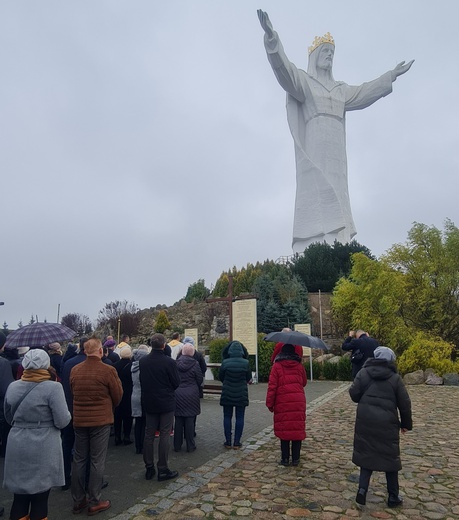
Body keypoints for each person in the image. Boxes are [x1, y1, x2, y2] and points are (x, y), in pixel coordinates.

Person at [257, 10, 414, 253]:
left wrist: (390, 76)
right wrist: (272, 40)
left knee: (339, 195)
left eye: (332, 53)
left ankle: (339, 246)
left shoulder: (341, 90)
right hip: (315, 145)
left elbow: (364, 92)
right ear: (316, 56)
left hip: (337, 153)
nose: (329, 56)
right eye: (325, 52)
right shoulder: (306, 82)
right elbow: (284, 72)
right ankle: (315, 248)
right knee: (317, 191)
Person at [3, 349, 71, 520]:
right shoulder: (53, 387)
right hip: (44, 443)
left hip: (17, 440)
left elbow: (8, 416)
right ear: (46, 365)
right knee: (40, 497)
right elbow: (62, 420)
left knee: (19, 497)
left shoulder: (13, 386)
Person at [349, 346, 412, 508]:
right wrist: (406, 424)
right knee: (390, 458)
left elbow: (354, 394)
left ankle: (362, 490)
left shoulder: (364, 373)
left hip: (366, 420)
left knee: (366, 456)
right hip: (387, 423)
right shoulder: (395, 378)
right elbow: (404, 404)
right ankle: (393, 496)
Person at [70, 337, 123, 516]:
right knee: (96, 460)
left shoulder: (75, 370)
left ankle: (78, 500)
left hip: (80, 420)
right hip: (100, 421)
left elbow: (73, 392)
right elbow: (117, 395)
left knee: (79, 459)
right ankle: (94, 500)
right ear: (100, 351)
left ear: (85, 351)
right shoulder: (108, 370)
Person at [139, 333, 180, 482]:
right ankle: (162, 468)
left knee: (149, 434)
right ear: (163, 345)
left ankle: (149, 467)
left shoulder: (143, 361)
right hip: (166, 402)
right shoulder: (169, 362)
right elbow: (176, 382)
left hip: (149, 401)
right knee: (164, 434)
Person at [266, 344, 307, 466]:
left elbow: (272, 387)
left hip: (282, 400)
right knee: (297, 429)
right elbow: (304, 382)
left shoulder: (277, 366)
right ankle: (296, 458)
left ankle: (284, 459)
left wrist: (269, 403)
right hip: (298, 400)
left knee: (284, 430)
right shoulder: (299, 366)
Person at [219, 341, 252, 449]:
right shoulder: (246, 363)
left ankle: (228, 441)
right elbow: (248, 378)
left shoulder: (225, 362)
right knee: (240, 417)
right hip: (241, 393)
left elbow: (221, 377)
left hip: (227, 392)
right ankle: (237, 442)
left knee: (227, 417)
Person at [174, 343, 203, 453]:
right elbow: (199, 379)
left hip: (178, 393)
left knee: (178, 420)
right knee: (190, 420)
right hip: (191, 394)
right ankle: (190, 445)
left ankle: (177, 445)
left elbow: (173, 378)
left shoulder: (175, 363)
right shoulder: (195, 364)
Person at [130, 345, 149, 455]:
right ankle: (142, 445)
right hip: (144, 395)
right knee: (145, 422)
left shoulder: (133, 367)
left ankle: (138, 446)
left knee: (138, 422)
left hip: (135, 395)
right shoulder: (144, 368)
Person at [113, 346, 133, 446]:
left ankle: (117, 436)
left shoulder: (115, 365)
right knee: (128, 415)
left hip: (117, 392)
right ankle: (127, 436)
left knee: (117, 415)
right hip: (129, 392)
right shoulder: (132, 366)